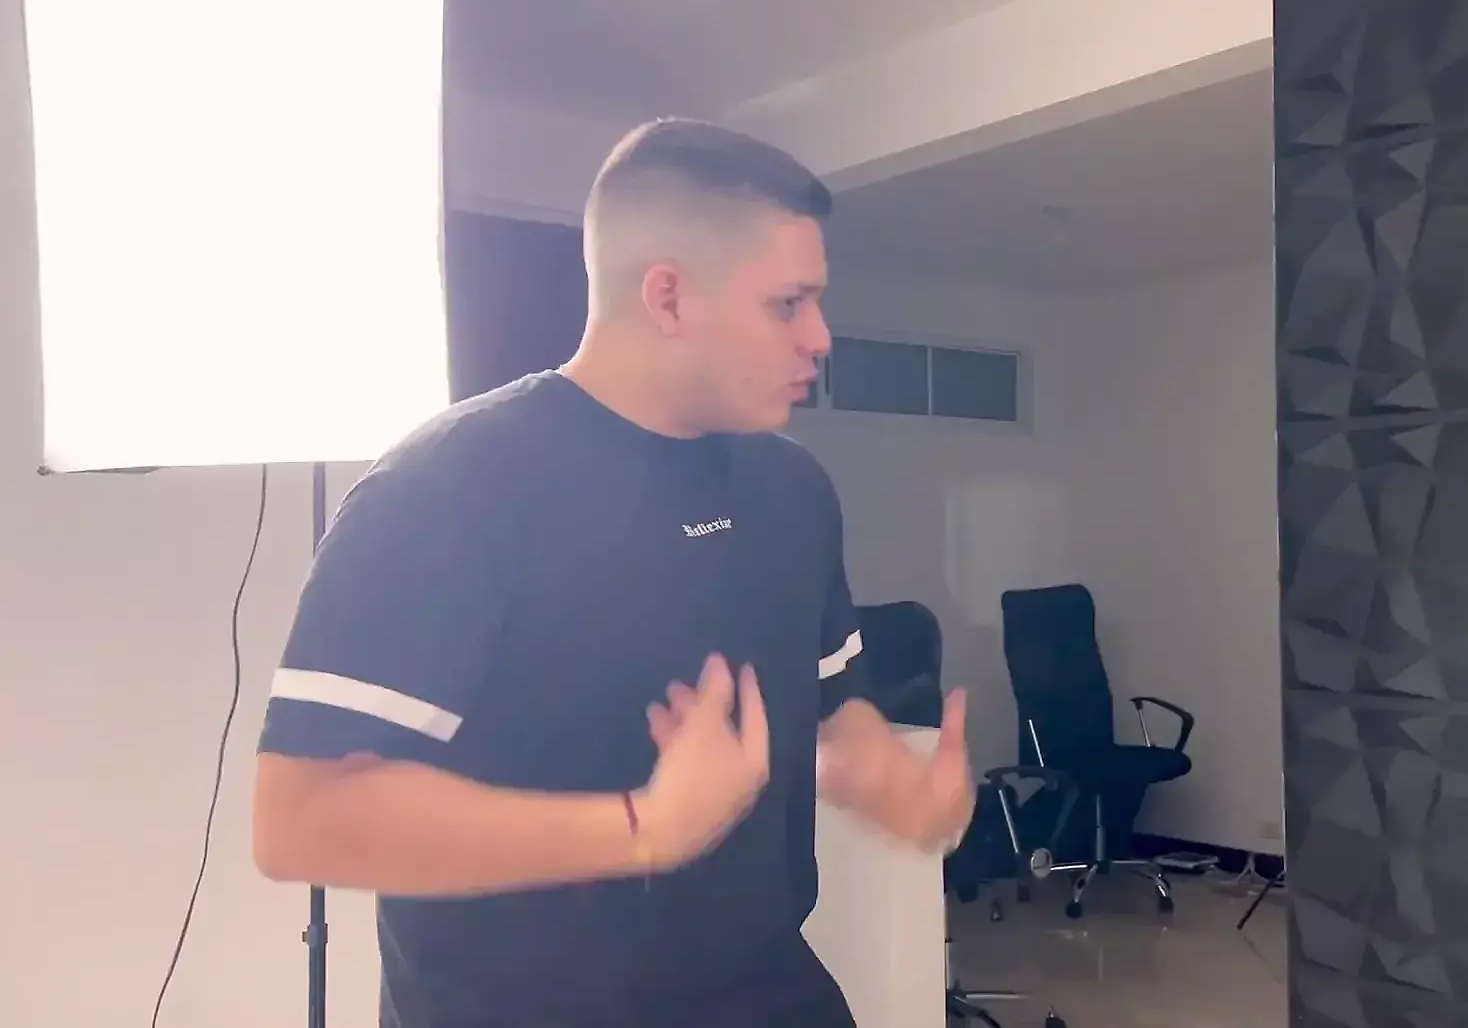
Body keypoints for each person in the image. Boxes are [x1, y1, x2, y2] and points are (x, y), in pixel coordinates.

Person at [250, 117, 977, 1028]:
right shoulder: (446, 487)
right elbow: (299, 818)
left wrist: (892, 782)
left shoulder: (793, 490)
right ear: (667, 297)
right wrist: (642, 827)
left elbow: (829, 714)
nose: (821, 337)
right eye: (787, 305)